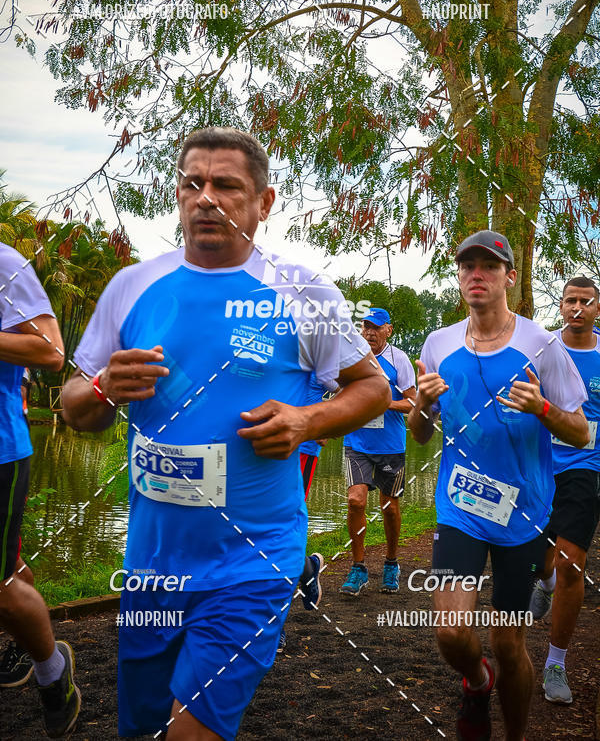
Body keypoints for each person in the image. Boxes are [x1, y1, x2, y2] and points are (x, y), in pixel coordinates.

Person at [61, 126, 391, 741]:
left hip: (254, 559)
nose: (206, 197)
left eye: (226, 186)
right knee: (140, 727)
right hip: (155, 565)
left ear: (263, 203)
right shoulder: (131, 286)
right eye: (193, 183)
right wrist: (103, 385)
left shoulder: (303, 290)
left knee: (193, 734)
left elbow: (370, 387)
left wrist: (306, 420)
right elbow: (75, 407)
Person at [406, 230, 589, 741]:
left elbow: (582, 429)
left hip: (525, 514)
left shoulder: (541, 345)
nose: (476, 275)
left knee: (509, 645)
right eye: (467, 266)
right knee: (450, 631)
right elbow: (420, 435)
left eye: (488, 266)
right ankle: (475, 679)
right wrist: (421, 404)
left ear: (511, 277)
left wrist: (543, 408)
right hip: (459, 506)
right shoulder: (438, 345)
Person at [0, 241, 81, 737]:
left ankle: (54, 674)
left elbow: (51, 350)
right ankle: (25, 642)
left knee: (2, 589)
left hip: (1, 452)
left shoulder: (5, 263)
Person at [529, 276, 600, 704]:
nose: (577, 308)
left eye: (585, 302)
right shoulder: (541, 347)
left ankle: (556, 661)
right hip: (537, 465)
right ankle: (544, 580)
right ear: (560, 306)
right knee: (541, 558)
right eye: (570, 301)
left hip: (585, 465)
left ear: (597, 308)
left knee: (573, 561)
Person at [340, 308, 416, 595]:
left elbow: (413, 403)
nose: (370, 332)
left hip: (390, 446)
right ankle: (358, 568)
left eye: (376, 327)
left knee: (390, 507)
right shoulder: (351, 356)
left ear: (389, 330)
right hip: (356, 443)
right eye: (366, 326)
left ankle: (391, 563)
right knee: (356, 501)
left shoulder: (400, 360)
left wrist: (383, 404)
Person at [278, 372, 330, 654]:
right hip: (251, 443)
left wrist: (324, 420)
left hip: (300, 448)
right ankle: (308, 569)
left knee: (282, 528)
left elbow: (364, 384)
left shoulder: (316, 336)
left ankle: (275, 626)